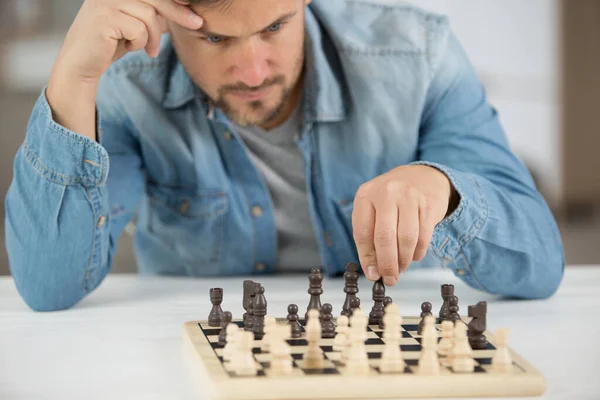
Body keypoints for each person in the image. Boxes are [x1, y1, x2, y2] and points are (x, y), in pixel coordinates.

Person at [5, 0, 564, 312]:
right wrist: (73, 78)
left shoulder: (420, 56)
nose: (253, 72)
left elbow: (540, 265)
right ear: (165, 18)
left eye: (275, 26)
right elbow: (49, 287)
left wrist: (445, 190)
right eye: (216, 39)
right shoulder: (127, 83)